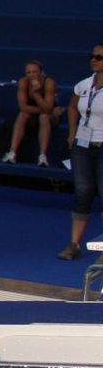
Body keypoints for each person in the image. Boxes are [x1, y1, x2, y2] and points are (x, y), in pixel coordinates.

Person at [59, 43, 103, 260]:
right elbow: (71, 107)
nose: (94, 60)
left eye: (99, 57)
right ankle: (74, 244)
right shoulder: (83, 85)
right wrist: (72, 132)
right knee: (83, 191)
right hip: (83, 145)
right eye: (92, 56)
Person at [5, 60, 59, 165]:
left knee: (44, 117)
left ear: (41, 72)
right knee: (22, 115)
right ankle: (12, 152)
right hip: (34, 114)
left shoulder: (49, 83)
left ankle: (42, 156)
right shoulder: (23, 82)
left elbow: (48, 110)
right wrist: (44, 109)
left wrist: (36, 94)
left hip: (49, 117)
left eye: (35, 72)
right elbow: (23, 107)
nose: (31, 75)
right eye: (28, 72)